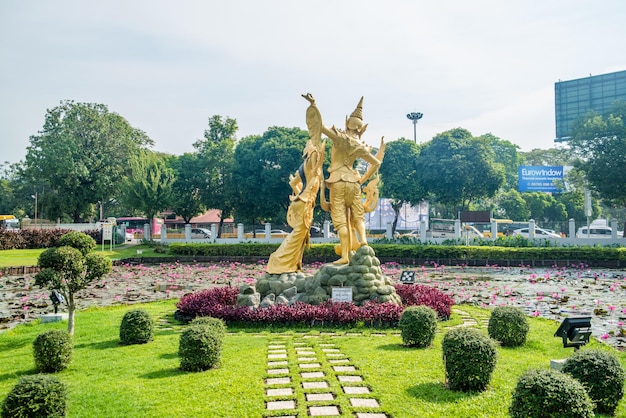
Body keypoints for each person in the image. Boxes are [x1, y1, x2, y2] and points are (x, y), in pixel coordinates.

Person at [308, 94, 384, 264]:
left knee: (340, 220)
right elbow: (376, 163)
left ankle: (344, 256)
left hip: (337, 182)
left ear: (346, 123)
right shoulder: (360, 145)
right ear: (361, 128)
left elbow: (320, 127)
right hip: (354, 183)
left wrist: (314, 105)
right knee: (358, 218)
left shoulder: (340, 137)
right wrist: (363, 179)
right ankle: (363, 242)